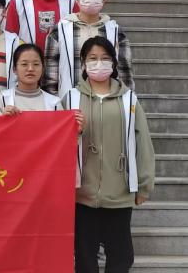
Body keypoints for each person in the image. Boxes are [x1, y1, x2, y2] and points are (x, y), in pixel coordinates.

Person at [61, 36, 155, 273]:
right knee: (85, 258)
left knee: (121, 257)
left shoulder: (129, 99)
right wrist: (77, 132)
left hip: (119, 192)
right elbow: (57, 145)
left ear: (113, 62)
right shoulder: (71, 98)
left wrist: (144, 185)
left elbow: (143, 142)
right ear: (83, 63)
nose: (98, 63)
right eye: (92, 58)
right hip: (82, 194)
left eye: (104, 58)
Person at [44, 0, 134, 98]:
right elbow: (50, 74)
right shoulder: (60, 30)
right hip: (70, 102)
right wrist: (54, 103)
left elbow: (125, 71)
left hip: (108, 102)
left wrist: (128, 100)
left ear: (104, 0)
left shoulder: (115, 31)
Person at [0, 44, 63, 114]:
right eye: (24, 64)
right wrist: (2, 118)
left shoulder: (55, 104)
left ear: (43, 68)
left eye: (36, 64)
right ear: (14, 69)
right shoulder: (2, 101)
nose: (30, 69)